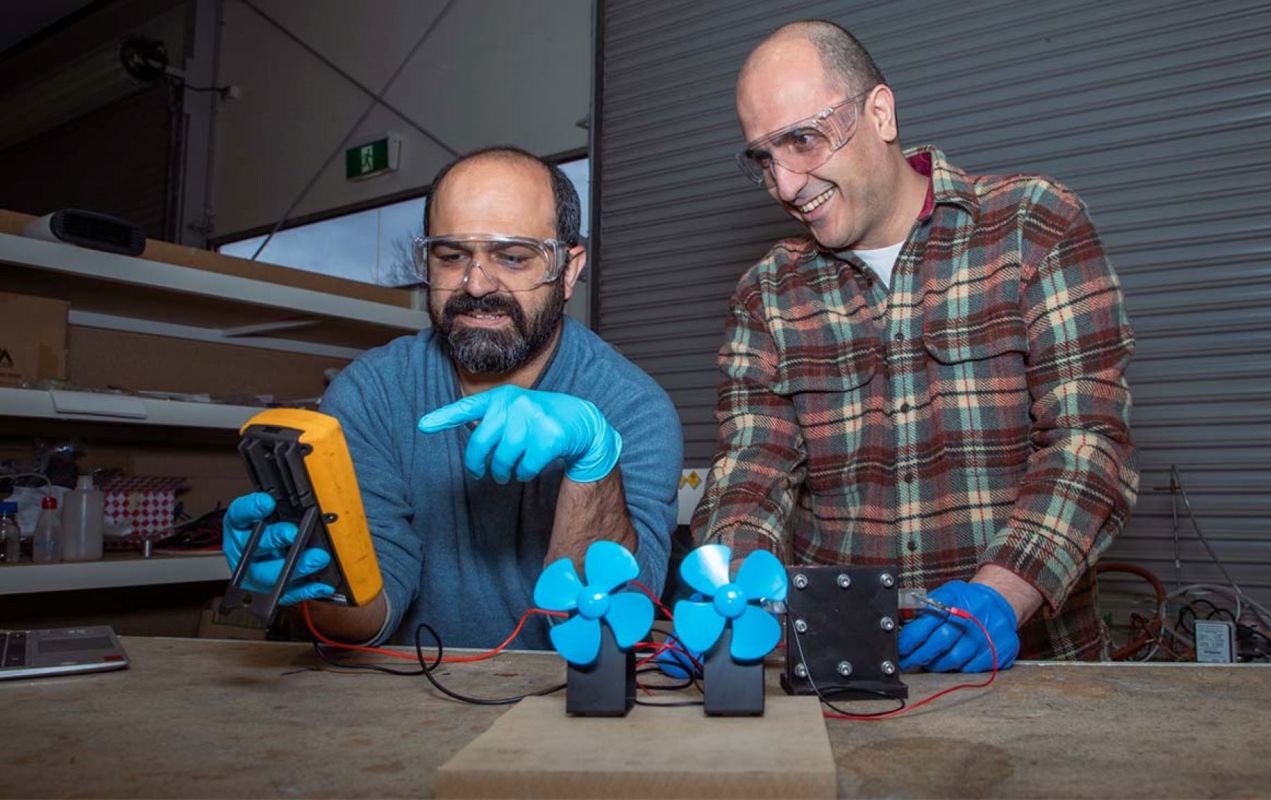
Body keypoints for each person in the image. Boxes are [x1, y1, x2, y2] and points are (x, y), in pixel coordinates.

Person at [691, 20, 1139, 671]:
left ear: (879, 113)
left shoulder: (1032, 225)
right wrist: (735, 593)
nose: (785, 186)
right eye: (764, 159)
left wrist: (1003, 593)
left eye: (802, 141)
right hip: (845, 669)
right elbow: (752, 473)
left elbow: (1089, 440)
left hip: (1039, 671)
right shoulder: (767, 292)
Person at [223, 147, 683, 649]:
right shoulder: (371, 393)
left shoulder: (634, 407)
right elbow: (370, 615)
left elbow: (612, 627)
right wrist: (317, 581)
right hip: (402, 687)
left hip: (562, 691)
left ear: (568, 271)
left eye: (512, 257)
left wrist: (594, 466)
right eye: (451, 256)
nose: (476, 285)